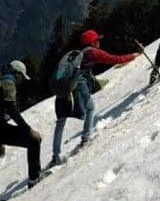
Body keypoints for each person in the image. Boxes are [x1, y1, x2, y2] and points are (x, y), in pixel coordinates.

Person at [50, 30, 139, 166]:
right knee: (90, 107)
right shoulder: (93, 53)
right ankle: (86, 138)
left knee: (61, 121)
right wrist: (134, 55)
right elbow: (115, 59)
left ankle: (56, 155)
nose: (99, 41)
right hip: (77, 87)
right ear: (92, 42)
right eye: (97, 39)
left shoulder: (76, 54)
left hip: (63, 89)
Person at [0, 60, 43, 201]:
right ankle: (34, 179)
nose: (21, 80)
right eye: (21, 76)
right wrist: (28, 129)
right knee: (34, 141)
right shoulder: (9, 83)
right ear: (16, 73)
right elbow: (12, 109)